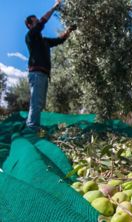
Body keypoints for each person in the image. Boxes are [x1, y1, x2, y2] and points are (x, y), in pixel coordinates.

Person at [24, 0, 76, 131]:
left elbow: (60, 40)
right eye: (35, 22)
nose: (38, 23)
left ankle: (34, 126)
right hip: (36, 74)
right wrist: (54, 7)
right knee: (36, 103)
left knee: (40, 103)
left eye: (37, 21)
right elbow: (42, 22)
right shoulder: (30, 36)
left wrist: (69, 30)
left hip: (43, 75)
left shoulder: (44, 41)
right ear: (30, 25)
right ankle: (31, 129)